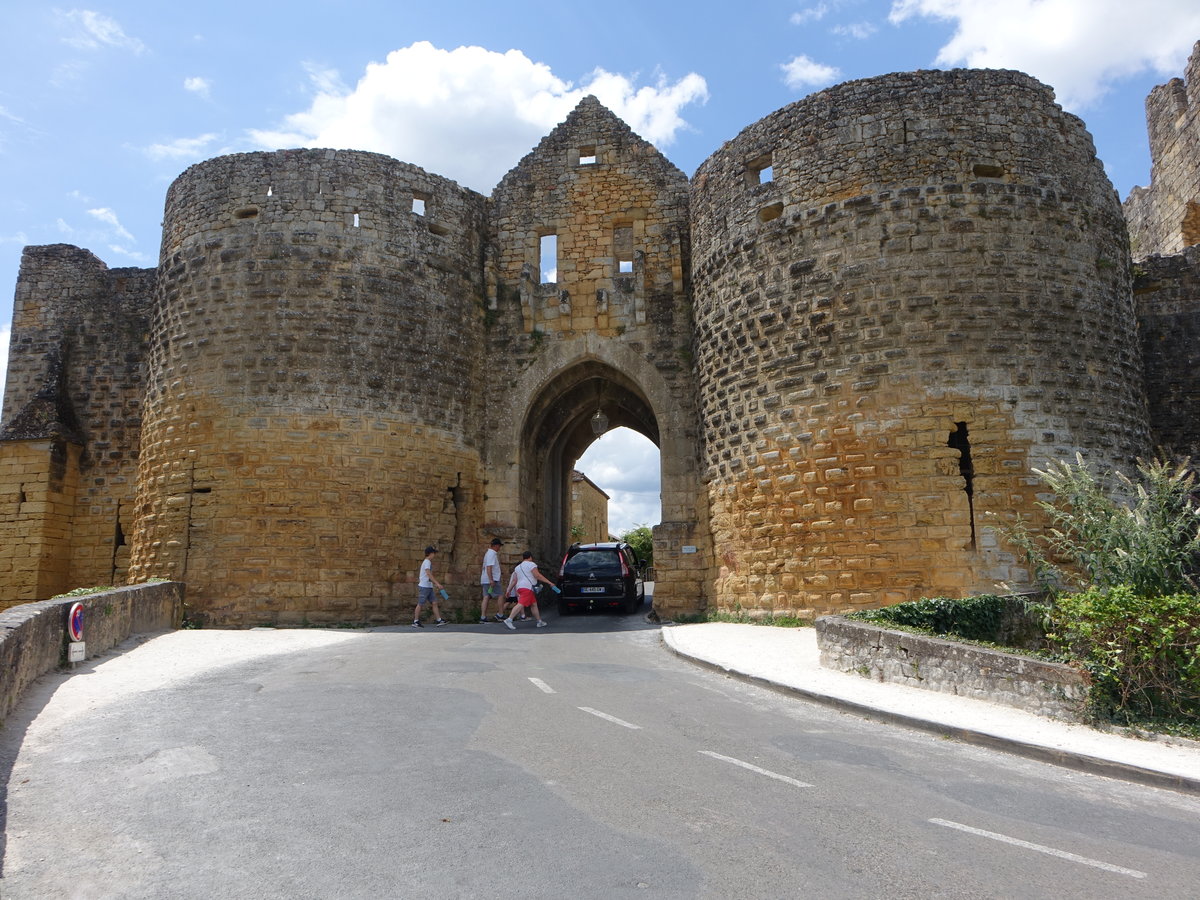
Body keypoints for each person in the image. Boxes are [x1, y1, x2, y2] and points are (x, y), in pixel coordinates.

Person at [503, 550, 559, 630]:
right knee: (521, 604)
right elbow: (537, 575)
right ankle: (509, 619)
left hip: (520, 587)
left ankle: (539, 621)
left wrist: (508, 590)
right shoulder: (531, 564)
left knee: (533, 604)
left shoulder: (517, 567)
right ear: (530, 557)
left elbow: (514, 581)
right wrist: (549, 582)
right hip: (527, 587)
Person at [412, 546, 448, 627]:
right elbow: (428, 574)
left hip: (428, 586)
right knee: (420, 603)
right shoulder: (427, 562)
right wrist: (437, 584)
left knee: (434, 602)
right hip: (424, 586)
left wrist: (433, 584)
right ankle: (415, 621)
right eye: (434, 553)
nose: (434, 555)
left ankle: (439, 620)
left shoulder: (427, 562)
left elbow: (429, 574)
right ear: (430, 553)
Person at [479, 537, 505, 623]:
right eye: (499, 546)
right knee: (500, 595)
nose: (499, 548)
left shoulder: (488, 553)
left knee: (486, 597)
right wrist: (491, 579)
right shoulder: (492, 554)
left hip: (485, 579)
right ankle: (500, 614)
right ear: (496, 546)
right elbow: (489, 567)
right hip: (491, 579)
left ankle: (483, 617)